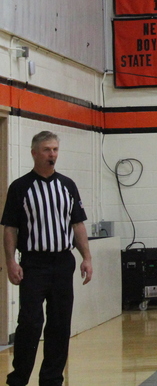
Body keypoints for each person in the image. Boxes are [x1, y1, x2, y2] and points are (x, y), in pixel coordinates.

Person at [2, 131, 92, 386]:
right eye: (46, 150)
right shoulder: (20, 187)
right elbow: (10, 228)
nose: (52, 154)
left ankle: (51, 378)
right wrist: (11, 261)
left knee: (60, 323)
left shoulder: (67, 185)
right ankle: (19, 377)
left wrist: (86, 257)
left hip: (63, 262)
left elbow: (77, 225)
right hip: (34, 263)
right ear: (34, 153)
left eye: (54, 149)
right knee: (30, 322)